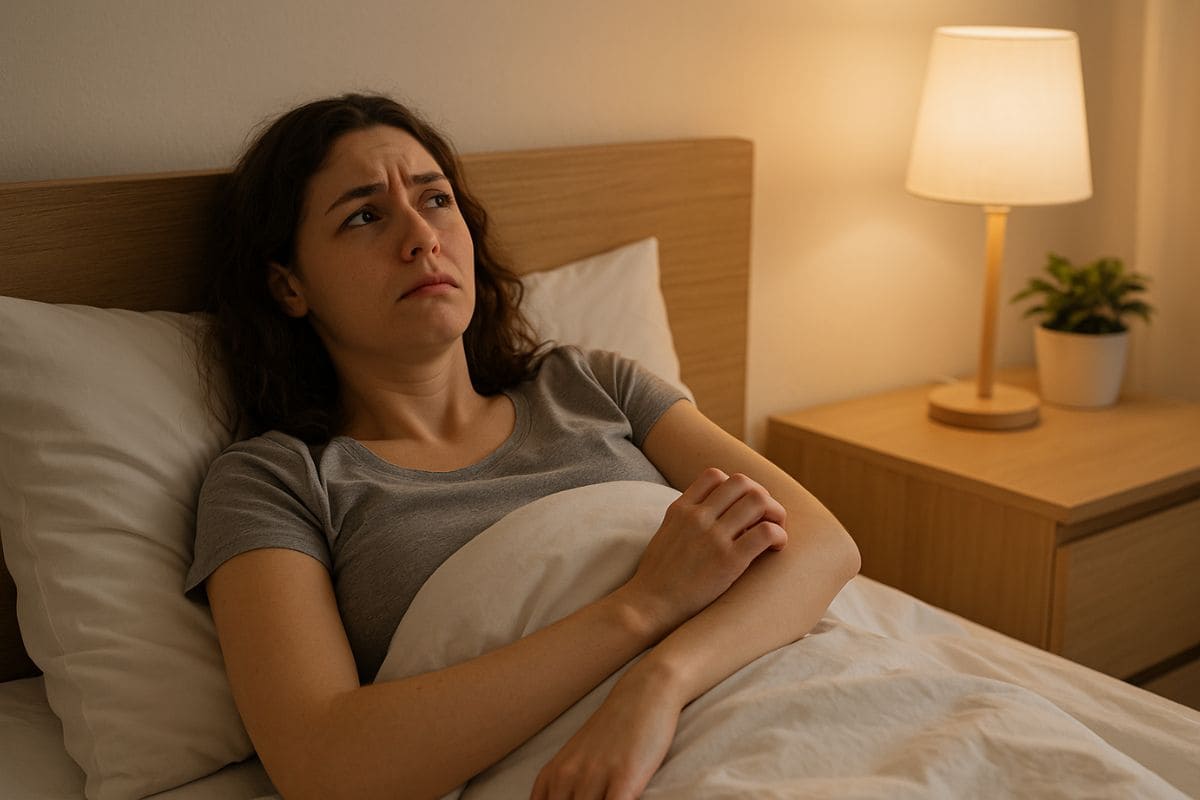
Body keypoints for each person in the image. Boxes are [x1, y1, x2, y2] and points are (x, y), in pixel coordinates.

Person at [186, 93, 860, 800]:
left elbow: (823, 542)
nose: (421, 238)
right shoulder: (276, 480)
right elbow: (323, 762)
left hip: (779, 704)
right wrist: (644, 607)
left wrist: (659, 683)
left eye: (436, 199)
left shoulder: (590, 384)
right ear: (289, 285)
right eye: (364, 216)